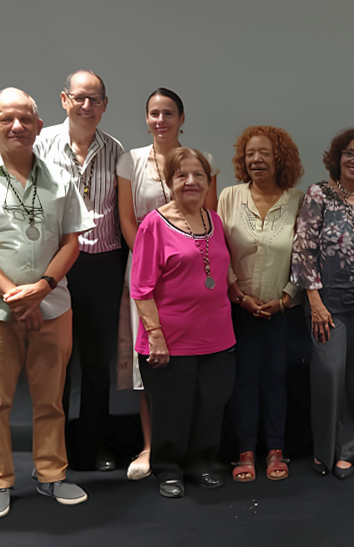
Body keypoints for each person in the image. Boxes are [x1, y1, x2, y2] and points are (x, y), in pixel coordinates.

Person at [0, 88, 93, 519]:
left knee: (51, 399)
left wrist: (42, 287)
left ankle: (50, 476)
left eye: (25, 119)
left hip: (52, 305)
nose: (17, 127)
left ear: (39, 126)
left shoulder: (60, 178)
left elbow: (71, 242)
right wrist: (14, 294)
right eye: (7, 119)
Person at [117, 88, 220, 480]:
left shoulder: (202, 161)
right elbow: (128, 219)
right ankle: (150, 446)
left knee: (196, 366)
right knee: (152, 366)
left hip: (192, 266)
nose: (161, 120)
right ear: (146, 118)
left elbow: (206, 217)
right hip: (149, 266)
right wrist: (151, 257)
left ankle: (192, 451)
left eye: (169, 113)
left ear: (181, 117)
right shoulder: (131, 161)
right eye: (154, 113)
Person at [33, 70, 126, 472]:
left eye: (95, 99)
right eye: (79, 98)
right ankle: (52, 451)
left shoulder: (116, 149)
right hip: (56, 264)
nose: (87, 106)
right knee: (55, 361)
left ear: (105, 105)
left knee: (96, 361)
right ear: (64, 100)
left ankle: (92, 447)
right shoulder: (40, 145)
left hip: (103, 264)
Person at [131, 147, 235, 498]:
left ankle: (201, 463)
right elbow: (141, 288)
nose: (191, 182)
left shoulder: (214, 221)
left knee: (210, 406)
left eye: (199, 176)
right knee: (172, 410)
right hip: (170, 339)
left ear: (209, 182)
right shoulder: (153, 225)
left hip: (217, 336)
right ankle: (167, 469)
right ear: (169, 181)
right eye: (182, 175)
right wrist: (155, 335)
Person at [291, 128, 354, 480]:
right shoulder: (319, 193)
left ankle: (353, 450)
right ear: (338, 157)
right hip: (327, 300)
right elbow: (303, 249)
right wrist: (314, 301)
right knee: (329, 375)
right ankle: (324, 450)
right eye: (350, 153)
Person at [218, 126, 304, 482]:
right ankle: (245, 451)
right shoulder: (229, 196)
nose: (256, 160)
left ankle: (276, 450)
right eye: (250, 153)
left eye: (265, 153)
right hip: (237, 308)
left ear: (279, 158)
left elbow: (306, 256)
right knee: (243, 380)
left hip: (282, 310)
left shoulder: (298, 200)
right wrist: (237, 293)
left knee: (276, 379)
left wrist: (287, 298)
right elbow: (216, 250)